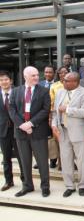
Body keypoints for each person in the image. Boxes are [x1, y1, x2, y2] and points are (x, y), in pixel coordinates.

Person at [9, 66, 51, 197]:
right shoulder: (15, 91)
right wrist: (22, 125)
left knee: (42, 161)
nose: (37, 77)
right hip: (21, 133)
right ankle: (27, 186)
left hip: (38, 131)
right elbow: (12, 109)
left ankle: (45, 187)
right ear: (25, 76)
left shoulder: (44, 91)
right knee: (24, 160)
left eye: (37, 75)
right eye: (33, 75)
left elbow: (45, 110)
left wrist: (31, 123)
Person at [52, 72, 84, 198]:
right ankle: (69, 186)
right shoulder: (60, 92)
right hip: (63, 131)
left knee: (80, 161)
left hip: (79, 133)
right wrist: (54, 125)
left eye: (67, 80)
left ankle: (82, 185)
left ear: (75, 82)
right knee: (66, 160)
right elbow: (54, 112)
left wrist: (67, 110)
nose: (64, 82)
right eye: (64, 80)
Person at [0, 71, 24, 191]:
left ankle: (25, 180)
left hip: (18, 129)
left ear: (11, 81)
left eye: (6, 79)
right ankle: (8, 181)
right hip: (3, 131)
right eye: (1, 80)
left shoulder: (18, 92)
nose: (4, 82)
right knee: (6, 157)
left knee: (21, 156)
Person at [49, 66, 70, 170]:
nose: (63, 74)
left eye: (65, 72)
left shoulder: (73, 84)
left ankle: (70, 162)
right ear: (58, 74)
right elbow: (51, 103)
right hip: (56, 115)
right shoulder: (54, 86)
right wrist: (51, 118)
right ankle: (60, 163)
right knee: (58, 140)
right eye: (61, 73)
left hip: (70, 116)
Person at [38, 65, 57, 169]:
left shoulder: (58, 84)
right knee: (42, 139)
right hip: (41, 116)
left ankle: (53, 160)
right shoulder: (39, 84)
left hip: (53, 115)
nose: (48, 74)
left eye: (50, 72)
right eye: (46, 72)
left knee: (52, 139)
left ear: (54, 73)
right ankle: (41, 160)